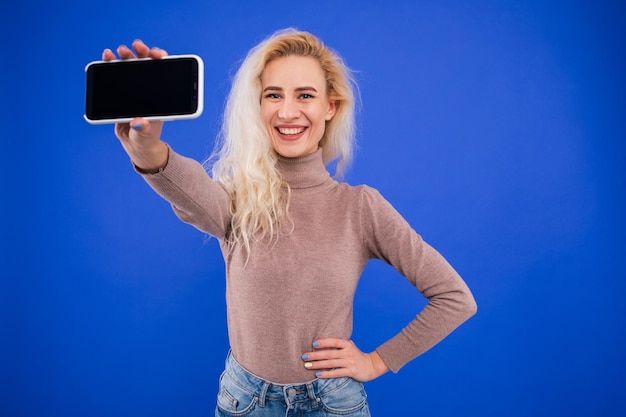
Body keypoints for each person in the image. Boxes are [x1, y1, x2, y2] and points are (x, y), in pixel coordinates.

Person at [102, 29, 477, 417]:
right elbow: (188, 188)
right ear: (257, 106)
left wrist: (378, 361)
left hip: (332, 404)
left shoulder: (360, 207)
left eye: (305, 95)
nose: (286, 112)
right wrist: (146, 149)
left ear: (330, 107)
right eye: (273, 95)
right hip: (244, 402)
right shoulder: (237, 201)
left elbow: (454, 298)